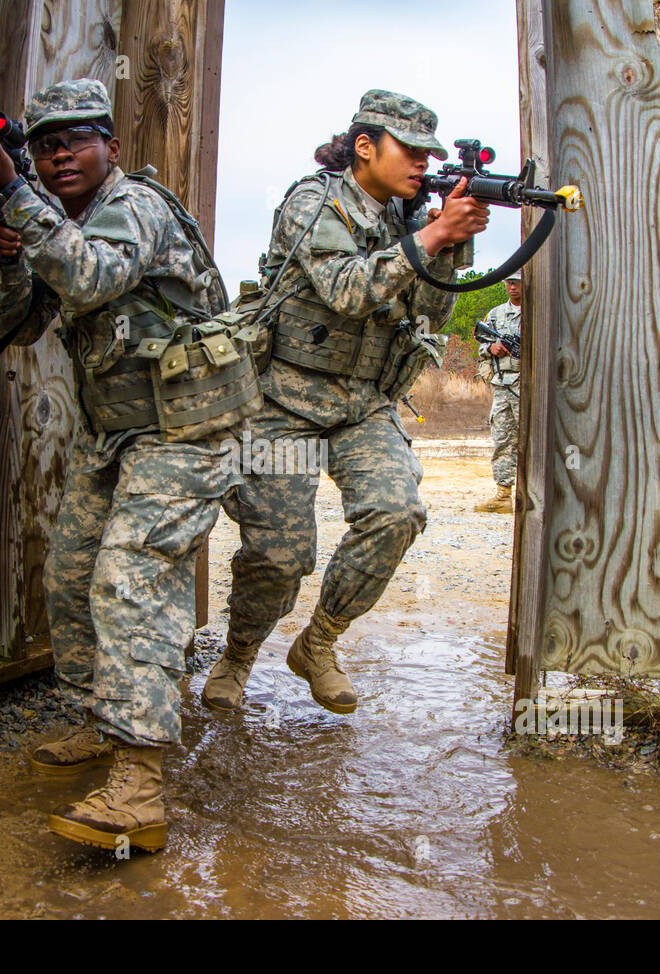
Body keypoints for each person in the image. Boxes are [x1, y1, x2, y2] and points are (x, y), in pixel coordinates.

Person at [0, 79, 260, 852]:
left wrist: (14, 194)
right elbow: (17, 327)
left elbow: (89, 275)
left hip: (185, 432)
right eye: (43, 145)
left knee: (129, 577)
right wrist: (11, 252)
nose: (57, 156)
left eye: (75, 139)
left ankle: (139, 784)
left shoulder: (135, 209)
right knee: (70, 574)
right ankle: (100, 716)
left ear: (110, 148)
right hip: (113, 435)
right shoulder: (61, 220)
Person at [201, 89, 488, 714]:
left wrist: (450, 241)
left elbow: (433, 311)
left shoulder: (405, 219)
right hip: (286, 401)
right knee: (279, 551)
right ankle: (239, 653)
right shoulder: (314, 200)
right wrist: (435, 231)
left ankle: (319, 643)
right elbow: (345, 290)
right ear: (365, 146)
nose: (421, 164)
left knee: (396, 511)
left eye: (427, 155)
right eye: (409, 151)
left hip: (365, 401)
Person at [474, 273, 522, 514]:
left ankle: (535, 492)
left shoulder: (538, 309)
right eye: (508, 282)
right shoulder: (495, 314)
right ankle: (503, 495)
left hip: (530, 384)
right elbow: (481, 341)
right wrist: (491, 347)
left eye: (517, 282)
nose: (512, 287)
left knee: (535, 441)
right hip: (503, 384)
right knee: (503, 438)